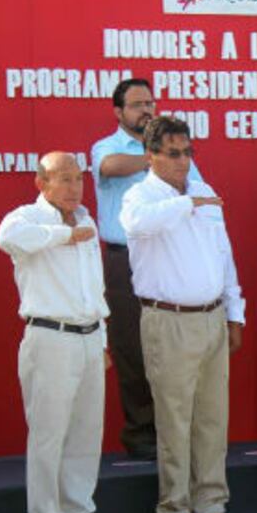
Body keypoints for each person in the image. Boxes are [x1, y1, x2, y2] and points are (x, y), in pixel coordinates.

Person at [119, 116, 245, 513]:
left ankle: (211, 505)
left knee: (213, 419)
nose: (183, 161)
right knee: (173, 420)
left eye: (188, 152)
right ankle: (173, 510)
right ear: (150, 155)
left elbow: (224, 255)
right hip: (167, 318)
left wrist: (234, 311)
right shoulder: (140, 196)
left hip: (211, 316)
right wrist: (187, 204)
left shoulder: (204, 192)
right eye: (173, 154)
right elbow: (137, 226)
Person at [0, 152, 124, 513]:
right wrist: (63, 235)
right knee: (49, 434)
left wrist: (102, 340)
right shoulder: (26, 219)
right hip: (49, 335)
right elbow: (9, 241)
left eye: (78, 179)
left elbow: (94, 287)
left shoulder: (86, 220)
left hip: (88, 336)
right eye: (63, 179)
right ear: (42, 183)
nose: (73, 187)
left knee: (86, 433)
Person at [91, 78, 202, 460]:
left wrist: (167, 156)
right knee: (132, 347)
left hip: (173, 258)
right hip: (125, 260)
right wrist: (157, 156)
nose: (146, 110)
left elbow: (200, 194)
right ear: (119, 112)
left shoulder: (179, 155)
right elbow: (111, 167)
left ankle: (173, 433)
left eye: (150, 103)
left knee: (172, 346)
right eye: (137, 105)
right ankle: (141, 435)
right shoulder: (107, 147)